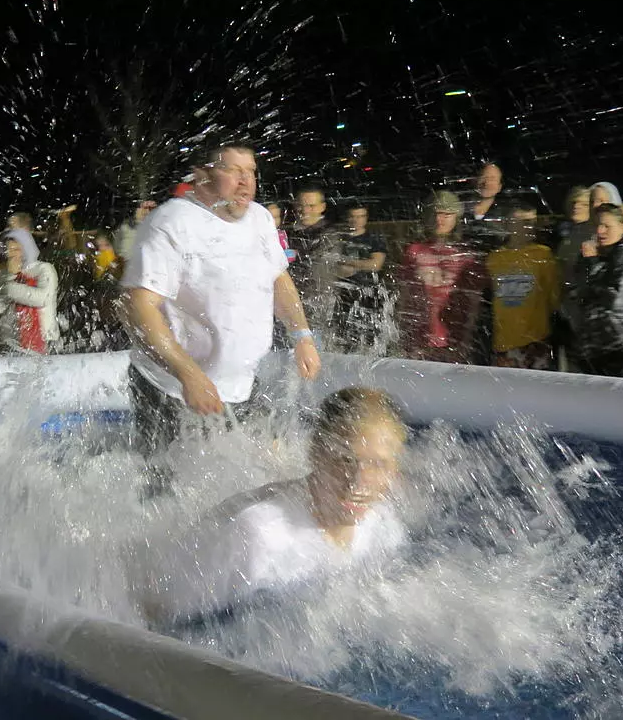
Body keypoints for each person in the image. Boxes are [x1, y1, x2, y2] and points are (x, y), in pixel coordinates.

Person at [120, 144, 320, 495]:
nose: (246, 182)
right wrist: (188, 374)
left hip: (239, 383)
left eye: (252, 171)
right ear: (201, 175)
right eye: (234, 171)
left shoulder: (258, 218)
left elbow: (278, 277)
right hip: (170, 387)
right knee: (167, 491)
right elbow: (141, 306)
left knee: (238, 481)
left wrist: (301, 334)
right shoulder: (170, 223)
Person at [133, 387, 408, 624]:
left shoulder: (383, 525)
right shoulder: (261, 537)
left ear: (395, 469)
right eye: (344, 459)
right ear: (315, 453)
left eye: (377, 464)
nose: (358, 482)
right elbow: (155, 613)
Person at [399, 190, 489, 363]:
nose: (440, 219)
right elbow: (405, 296)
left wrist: (467, 340)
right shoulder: (414, 251)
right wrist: (402, 331)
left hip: (454, 337)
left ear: (456, 218)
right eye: (436, 214)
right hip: (419, 337)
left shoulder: (467, 256)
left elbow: (474, 303)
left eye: (447, 214)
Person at [576, 204, 623, 379]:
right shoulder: (591, 255)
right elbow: (579, 293)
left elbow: (616, 299)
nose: (600, 231)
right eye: (598, 226)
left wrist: (592, 264)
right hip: (594, 351)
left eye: (607, 226)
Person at [486, 204, 558, 369]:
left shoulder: (543, 255)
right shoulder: (494, 258)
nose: (529, 226)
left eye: (532, 222)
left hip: (535, 340)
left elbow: (553, 297)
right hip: (504, 342)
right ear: (508, 224)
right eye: (523, 221)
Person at [0, 227, 60, 354]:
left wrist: (9, 287)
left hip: (44, 341)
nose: (11, 254)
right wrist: (10, 276)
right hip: (11, 342)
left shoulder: (44, 269)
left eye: (16, 249)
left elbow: (42, 299)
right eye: (7, 250)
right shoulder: (2, 275)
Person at [330, 203, 388, 353]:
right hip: (344, 295)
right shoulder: (339, 240)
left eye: (360, 216)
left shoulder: (373, 238)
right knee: (344, 337)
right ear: (348, 219)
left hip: (369, 294)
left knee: (370, 337)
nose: (356, 220)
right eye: (353, 217)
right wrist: (361, 264)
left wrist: (350, 263)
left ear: (366, 218)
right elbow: (333, 267)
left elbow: (376, 264)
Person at [283, 187, 337, 337]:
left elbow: (316, 266)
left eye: (311, 206)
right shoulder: (288, 231)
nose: (305, 210)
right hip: (289, 304)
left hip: (316, 305)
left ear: (322, 207)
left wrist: (288, 256)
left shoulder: (329, 234)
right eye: (301, 205)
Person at [553, 186, 593, 371]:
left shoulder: (593, 234)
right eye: (574, 202)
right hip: (560, 307)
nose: (577, 206)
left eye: (583, 203)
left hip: (581, 311)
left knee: (579, 365)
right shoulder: (562, 231)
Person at [461, 162, 506, 249]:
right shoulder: (459, 209)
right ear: (475, 181)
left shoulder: (505, 215)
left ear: (499, 186)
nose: (486, 183)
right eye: (484, 177)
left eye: (492, 179)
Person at [114, 199, 157, 267]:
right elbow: (117, 248)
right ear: (137, 209)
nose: (147, 211)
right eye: (145, 208)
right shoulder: (126, 227)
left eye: (151, 209)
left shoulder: (158, 229)